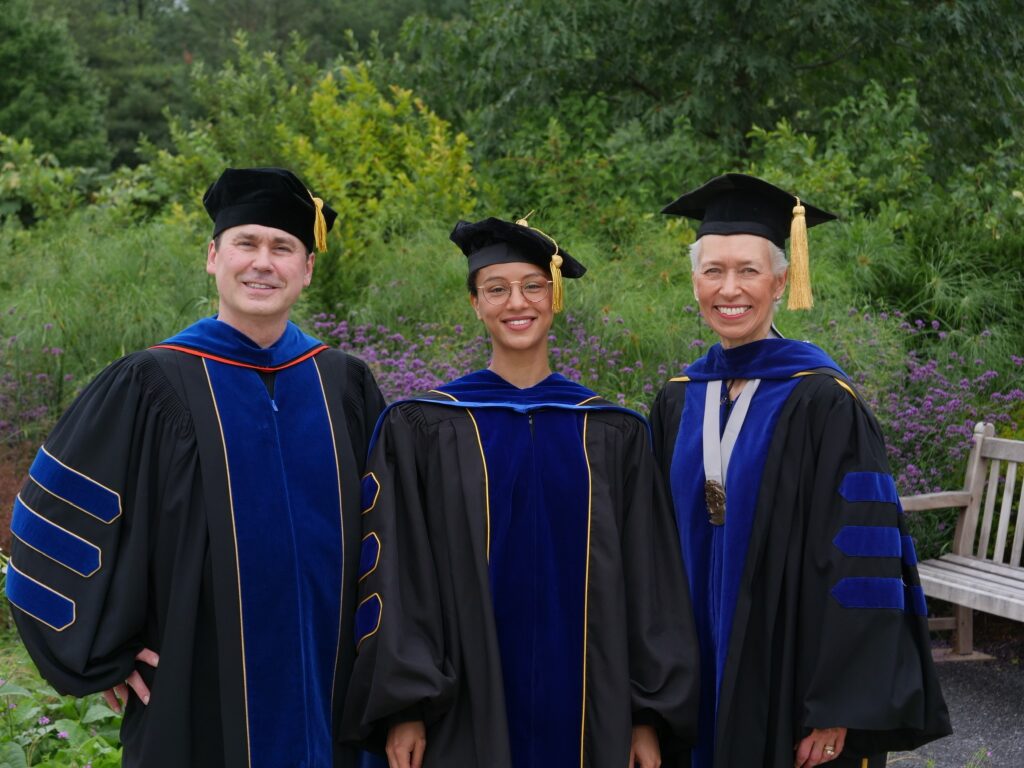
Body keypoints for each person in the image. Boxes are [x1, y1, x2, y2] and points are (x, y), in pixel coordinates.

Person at [6, 167, 386, 768]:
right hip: (195, 687)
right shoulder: (154, 382)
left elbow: (389, 535)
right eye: (246, 243)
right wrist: (104, 651)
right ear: (214, 256)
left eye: (283, 247)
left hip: (328, 683)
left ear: (307, 269)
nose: (263, 262)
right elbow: (52, 517)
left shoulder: (343, 384)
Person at [343, 217, 699, 768]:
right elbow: (399, 573)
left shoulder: (613, 432)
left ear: (554, 297)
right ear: (475, 304)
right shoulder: (420, 428)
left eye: (533, 286)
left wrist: (646, 715)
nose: (518, 302)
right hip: (458, 711)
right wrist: (404, 708)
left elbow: (650, 583)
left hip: (593, 712)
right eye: (497, 289)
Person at [650, 173, 951, 768]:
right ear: (694, 283)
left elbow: (861, 563)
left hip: (789, 688)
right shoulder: (678, 400)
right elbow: (648, 552)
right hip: (688, 683)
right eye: (713, 270)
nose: (728, 288)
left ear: (782, 282)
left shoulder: (824, 401)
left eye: (748, 270)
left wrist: (836, 703)